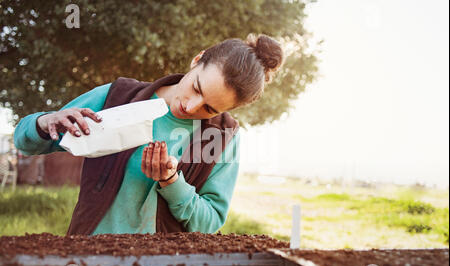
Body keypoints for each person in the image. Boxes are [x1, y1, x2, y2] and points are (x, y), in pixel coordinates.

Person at [14, 34, 284, 235]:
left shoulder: (223, 136)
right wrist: (46, 122)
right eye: (197, 88)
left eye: (209, 108)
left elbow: (210, 222)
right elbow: (25, 142)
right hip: (88, 257)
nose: (190, 107)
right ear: (197, 60)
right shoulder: (119, 96)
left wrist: (171, 181)